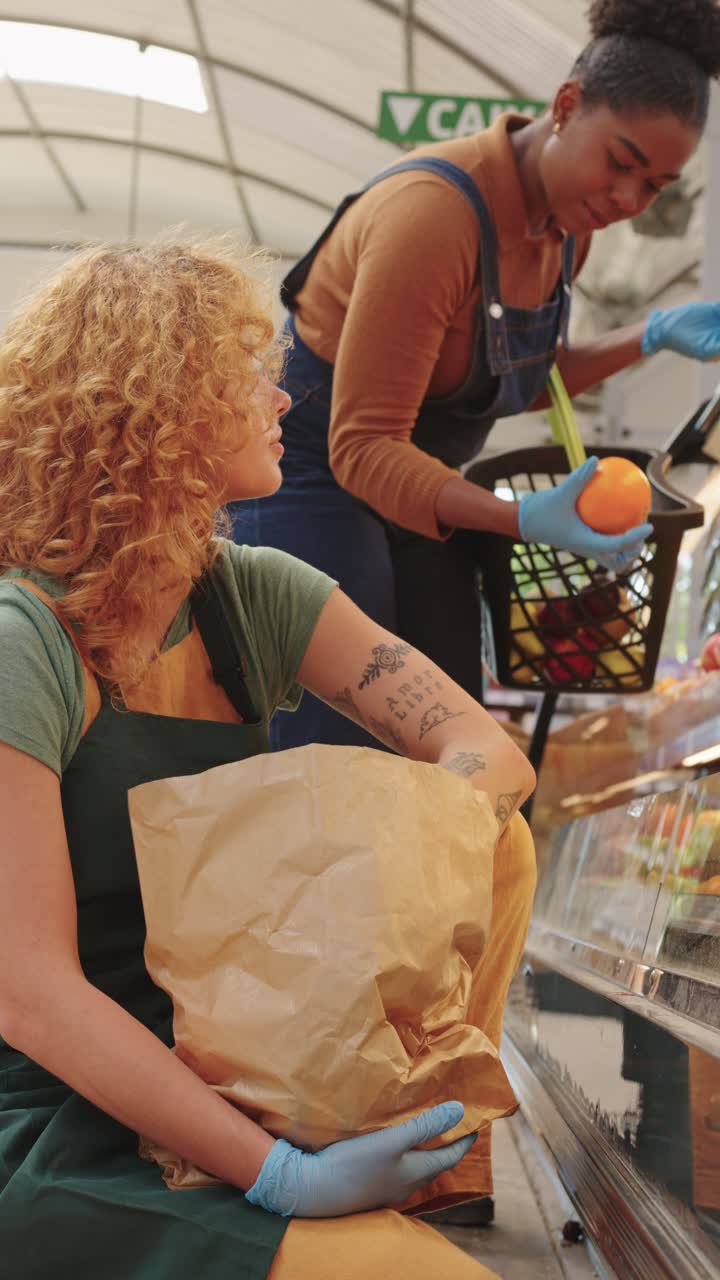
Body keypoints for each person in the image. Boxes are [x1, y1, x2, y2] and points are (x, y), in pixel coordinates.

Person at [0, 240, 537, 1280]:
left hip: (227, 1068)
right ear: (154, 409)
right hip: (59, 1110)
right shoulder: (24, 640)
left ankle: (420, 1124)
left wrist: (402, 851)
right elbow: (27, 991)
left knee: (494, 838)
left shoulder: (249, 591)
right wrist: (278, 1173)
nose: (283, 397)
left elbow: (486, 751)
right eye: (246, 375)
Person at [229, 0, 720, 756]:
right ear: (564, 107)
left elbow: (518, 378)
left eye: (654, 186)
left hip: (415, 478)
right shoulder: (434, 216)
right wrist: (517, 517)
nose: (627, 200)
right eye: (620, 163)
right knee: (347, 726)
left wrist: (647, 335)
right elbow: (362, 446)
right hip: (319, 468)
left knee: (449, 716)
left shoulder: (566, 231)